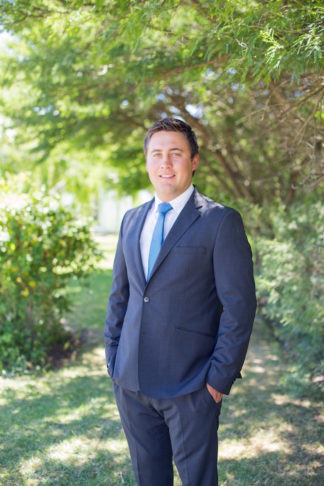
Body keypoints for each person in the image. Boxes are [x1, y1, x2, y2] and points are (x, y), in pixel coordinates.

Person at [104, 118, 256, 486]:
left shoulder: (220, 221)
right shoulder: (131, 220)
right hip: (132, 383)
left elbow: (239, 306)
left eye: (176, 153)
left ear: (194, 161)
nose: (165, 163)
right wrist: (113, 358)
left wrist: (217, 380)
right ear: (147, 162)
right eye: (157, 154)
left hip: (191, 387)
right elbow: (120, 295)